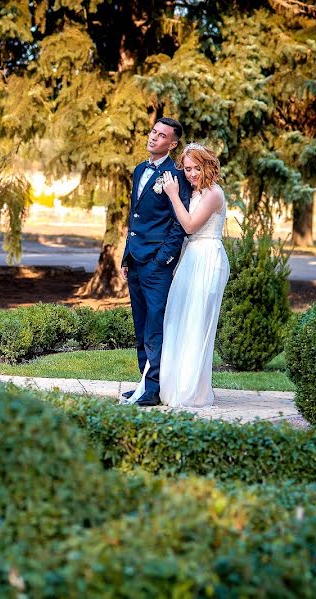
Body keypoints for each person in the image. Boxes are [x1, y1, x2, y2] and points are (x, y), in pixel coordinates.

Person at [124, 142, 230, 409]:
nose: (191, 174)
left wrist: (172, 193)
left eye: (196, 168)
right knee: (178, 321)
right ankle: (165, 384)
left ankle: (190, 389)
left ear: (208, 166)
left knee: (196, 322)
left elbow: (190, 225)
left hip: (206, 259)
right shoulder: (195, 191)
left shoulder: (214, 194)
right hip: (190, 259)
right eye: (187, 169)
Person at [119, 117, 193, 407]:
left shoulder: (175, 175)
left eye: (162, 136)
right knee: (140, 325)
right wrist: (126, 255)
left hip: (156, 264)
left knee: (155, 325)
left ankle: (154, 389)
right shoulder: (139, 169)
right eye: (153, 132)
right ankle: (143, 384)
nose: (154, 138)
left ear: (172, 144)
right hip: (135, 260)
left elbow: (179, 223)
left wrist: (164, 259)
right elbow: (134, 215)